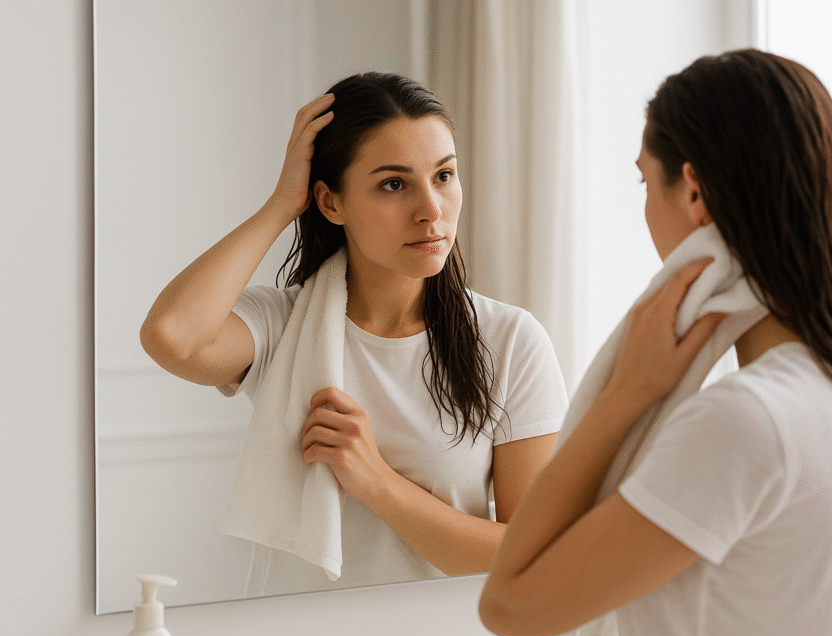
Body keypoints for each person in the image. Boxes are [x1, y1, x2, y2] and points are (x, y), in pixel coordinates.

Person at [479, 49, 832, 636]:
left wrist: (625, 394)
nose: (644, 208)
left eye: (645, 182)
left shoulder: (744, 420)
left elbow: (509, 604)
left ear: (694, 193)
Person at [141, 72, 567, 593]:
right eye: (394, 184)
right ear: (330, 202)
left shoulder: (511, 343)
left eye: (444, 176)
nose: (431, 210)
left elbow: (531, 559)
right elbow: (172, 335)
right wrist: (282, 203)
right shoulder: (285, 326)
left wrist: (377, 483)